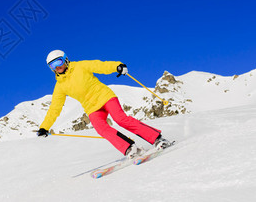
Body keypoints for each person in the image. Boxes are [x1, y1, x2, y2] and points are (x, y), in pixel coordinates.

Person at [37, 50, 171, 158]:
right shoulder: (60, 86)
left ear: (65, 60)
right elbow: (55, 107)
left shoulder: (80, 66)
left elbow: (100, 65)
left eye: (58, 62)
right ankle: (130, 148)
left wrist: (116, 66)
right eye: (52, 65)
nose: (57, 67)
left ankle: (157, 139)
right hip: (91, 108)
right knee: (101, 128)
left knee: (121, 120)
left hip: (105, 97)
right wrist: (44, 127)